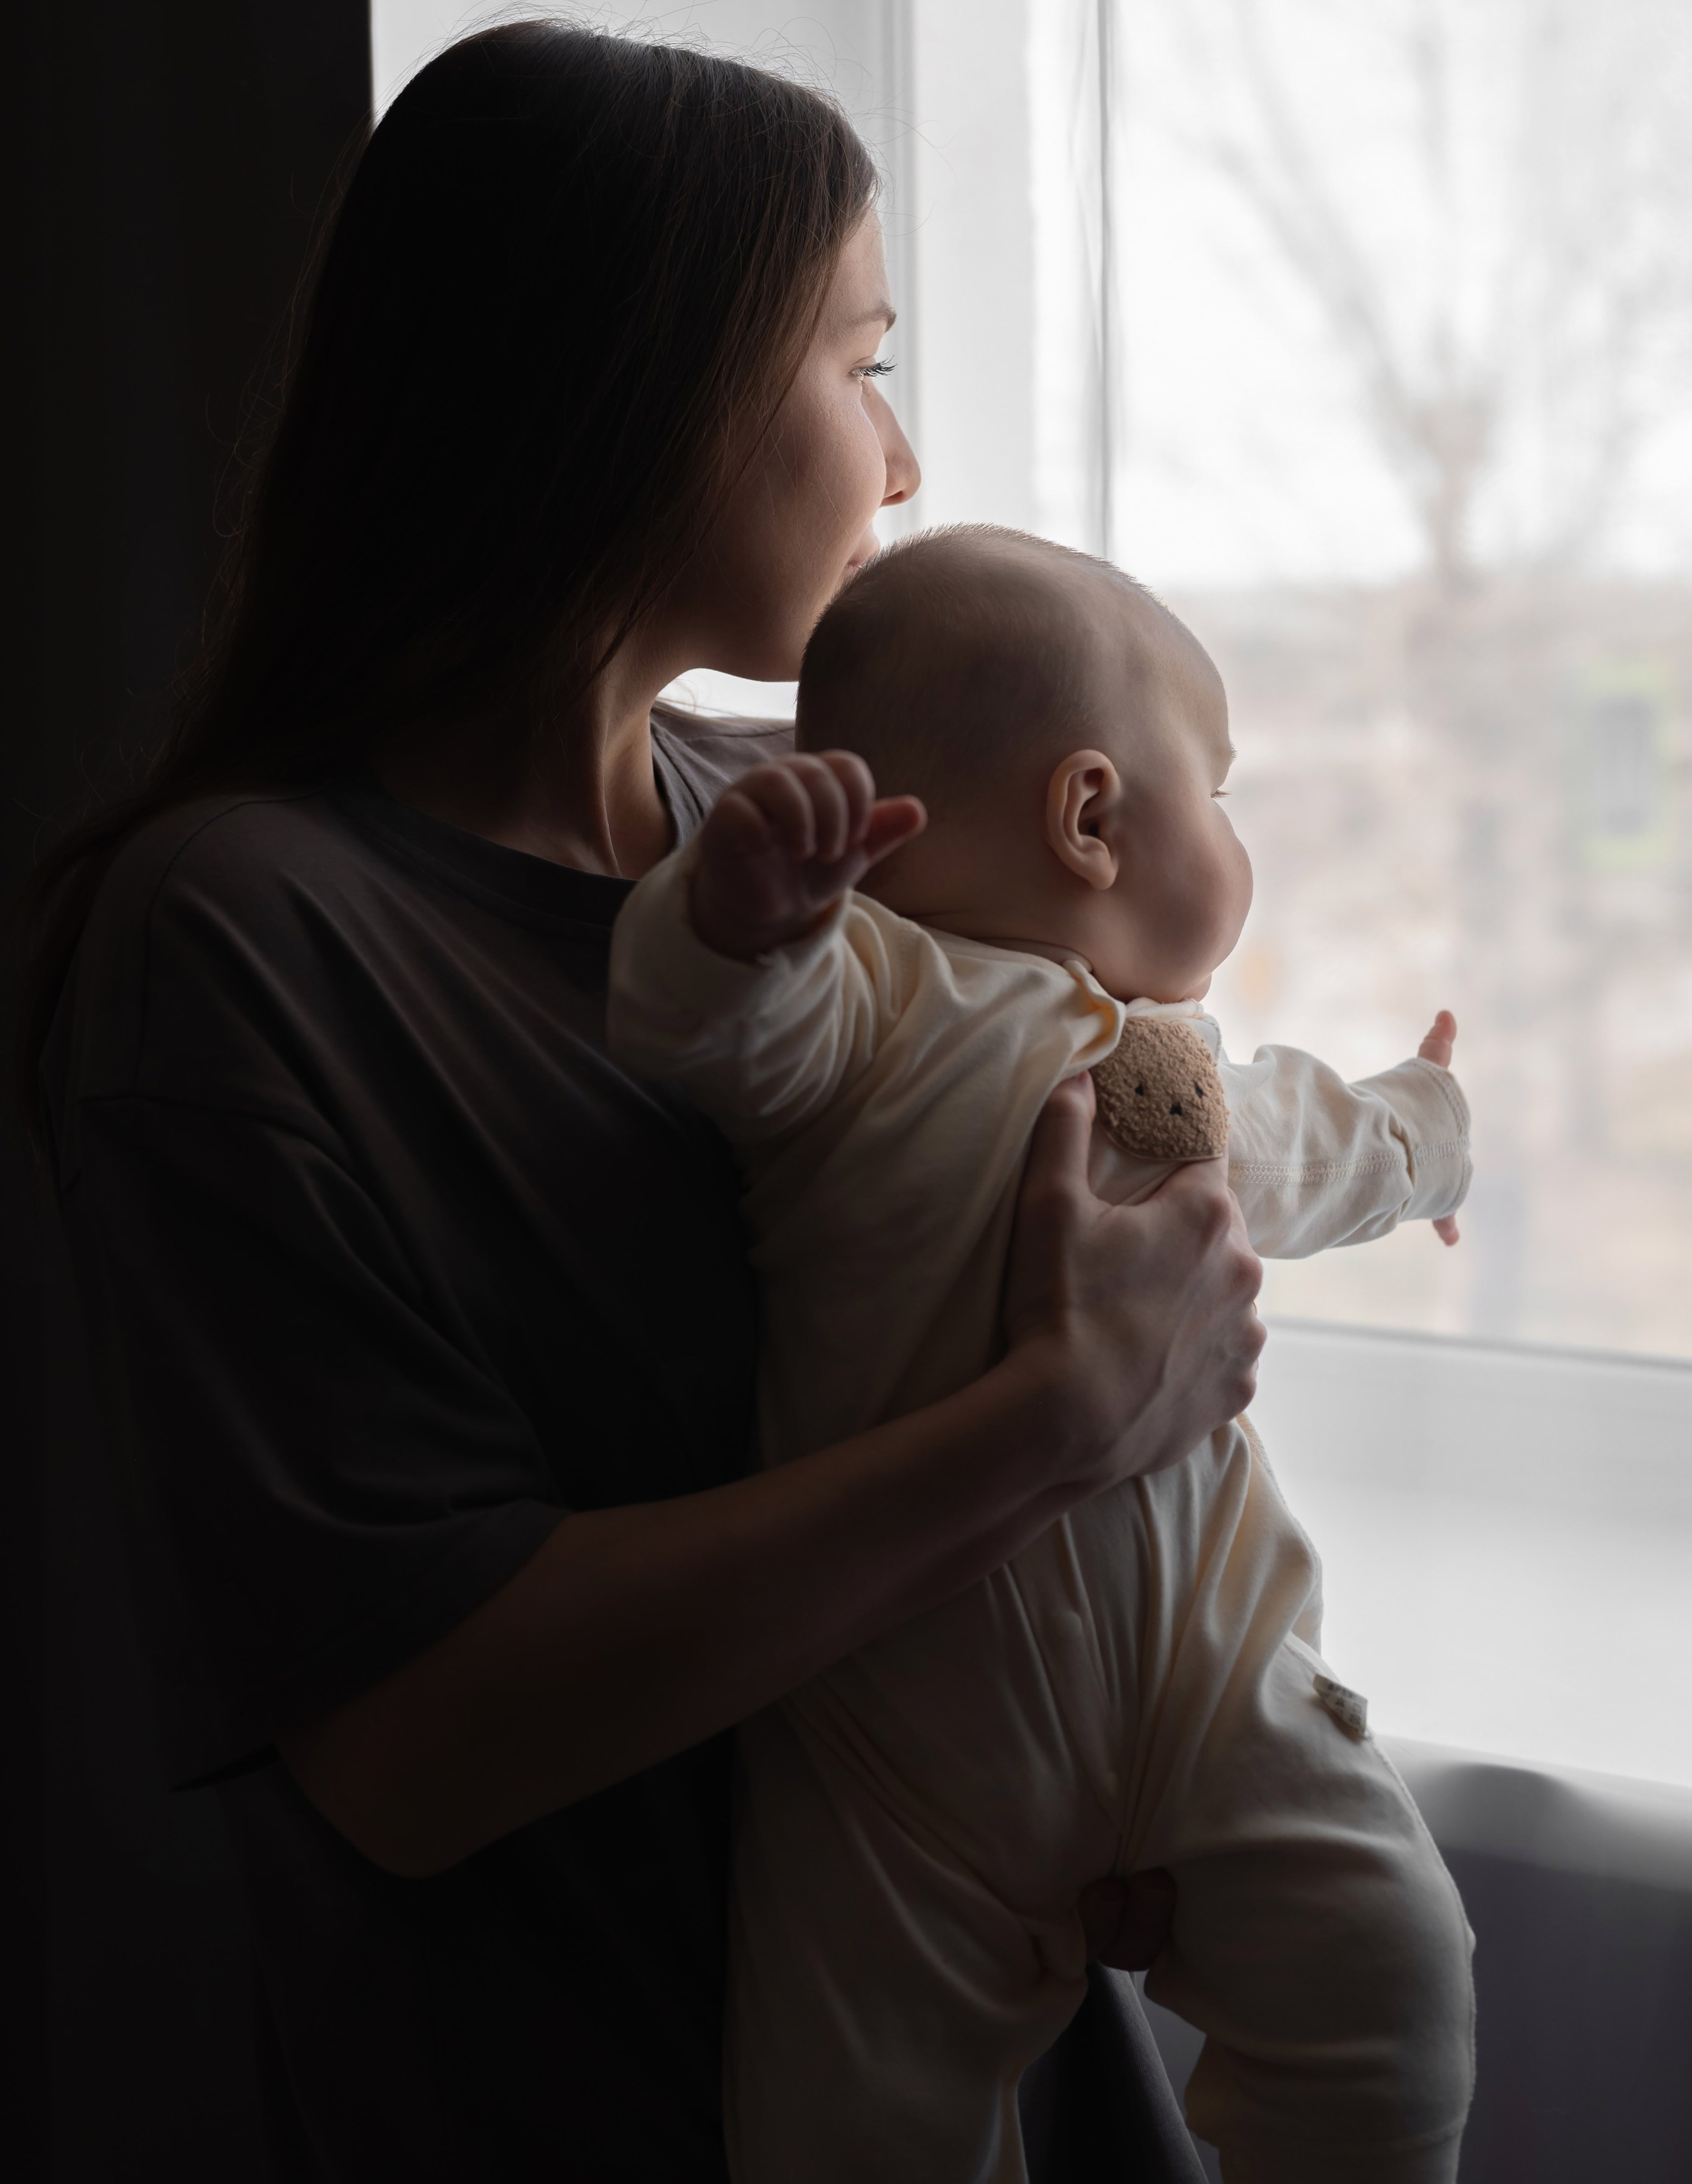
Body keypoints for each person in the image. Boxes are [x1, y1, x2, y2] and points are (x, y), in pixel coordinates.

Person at [17, 24, 1266, 2180]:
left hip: (1009, 2050)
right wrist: (1055, 1422)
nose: (897, 461)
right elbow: (415, 1742)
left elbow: (1027, 1253)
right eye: (857, 360)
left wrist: (1129, 1761)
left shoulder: (797, 823)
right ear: (634, 382)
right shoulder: (238, 941)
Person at [607, 526, 1478, 2183]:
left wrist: (1423, 1134)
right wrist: (731, 925)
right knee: (842, 2117)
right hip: (893, 1734)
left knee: (1389, 1963)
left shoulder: (1153, 1068)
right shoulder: (868, 998)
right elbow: (712, 1038)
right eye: (1215, 792)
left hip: (1212, 1695)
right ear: (1090, 817)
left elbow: (1302, 1144)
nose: (1233, 838)